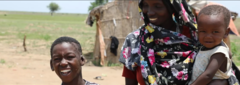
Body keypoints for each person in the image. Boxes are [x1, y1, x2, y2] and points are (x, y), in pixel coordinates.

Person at [119, 0, 199, 85]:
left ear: (173, 7)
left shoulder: (194, 36)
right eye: (145, 5)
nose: (150, 12)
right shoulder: (134, 40)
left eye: (157, 6)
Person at [188, 5, 239, 85]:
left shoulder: (219, 52)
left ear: (226, 33)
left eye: (215, 32)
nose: (208, 36)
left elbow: (208, 75)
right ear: (197, 32)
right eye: (203, 31)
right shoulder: (202, 47)